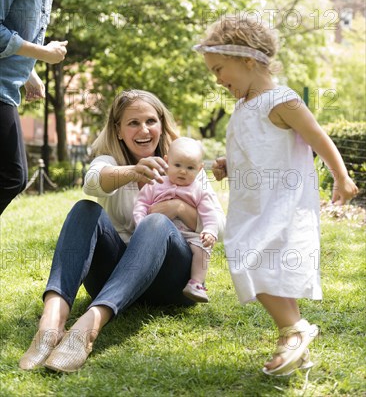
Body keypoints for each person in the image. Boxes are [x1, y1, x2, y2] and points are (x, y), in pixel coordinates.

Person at [193, 15, 358, 376]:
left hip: (282, 204)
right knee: (260, 264)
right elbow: (255, 150)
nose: (218, 80)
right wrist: (227, 164)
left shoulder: (282, 100)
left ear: (248, 60)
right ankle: (295, 341)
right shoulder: (242, 106)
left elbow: (319, 138)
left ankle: (293, 331)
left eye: (220, 69)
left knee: (253, 261)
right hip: (251, 205)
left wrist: (341, 177)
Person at [19, 90, 226, 373]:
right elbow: (91, 183)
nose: (144, 130)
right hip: (115, 277)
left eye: (151, 121)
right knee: (85, 209)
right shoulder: (110, 162)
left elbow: (219, 228)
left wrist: (176, 207)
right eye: (133, 123)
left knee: (155, 223)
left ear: (162, 125)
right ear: (118, 130)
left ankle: (88, 327)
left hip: (169, 281)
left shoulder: (185, 165)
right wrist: (133, 172)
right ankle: (51, 324)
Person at [0, 0, 85, 215]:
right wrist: (42, 53)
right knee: (13, 175)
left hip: (8, 85)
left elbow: (15, 26)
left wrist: (30, 71)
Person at [133, 136, 222, 303]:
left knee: (203, 248)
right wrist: (140, 222)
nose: (183, 171)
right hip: (157, 234)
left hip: (188, 236)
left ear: (200, 168)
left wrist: (209, 231)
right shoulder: (155, 183)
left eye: (190, 168)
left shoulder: (200, 190)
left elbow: (210, 214)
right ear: (167, 162)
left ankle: (196, 283)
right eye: (177, 165)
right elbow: (141, 204)